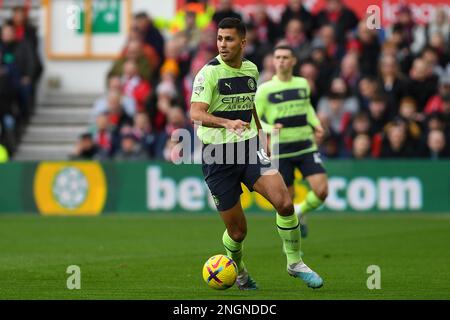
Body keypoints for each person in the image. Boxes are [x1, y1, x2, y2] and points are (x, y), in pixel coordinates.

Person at [190, 18, 323, 290]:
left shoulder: (251, 70)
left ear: (243, 42)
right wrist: (227, 123)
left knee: (284, 203)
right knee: (238, 232)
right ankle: (238, 271)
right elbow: (195, 113)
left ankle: (295, 262)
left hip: (249, 148)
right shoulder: (209, 73)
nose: (222, 44)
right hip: (217, 157)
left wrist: (262, 138)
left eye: (228, 39)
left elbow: (250, 106)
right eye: (219, 38)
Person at [255, 45, 328, 240]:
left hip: (305, 143)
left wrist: (317, 124)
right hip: (281, 149)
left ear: (294, 61)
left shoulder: (303, 84)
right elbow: (253, 118)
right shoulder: (265, 89)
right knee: (285, 203)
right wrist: (270, 129)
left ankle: (301, 211)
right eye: (277, 57)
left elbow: (308, 108)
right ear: (273, 61)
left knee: (322, 191)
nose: (281, 61)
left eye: (285, 57)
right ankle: (294, 249)